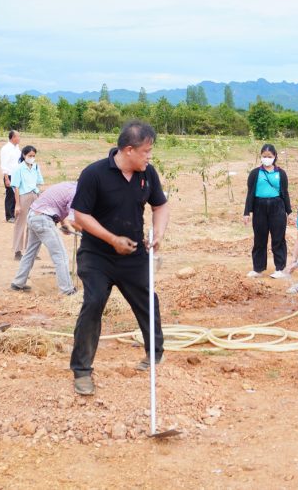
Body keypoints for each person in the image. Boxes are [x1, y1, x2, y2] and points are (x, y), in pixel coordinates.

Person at [69, 121, 169, 396]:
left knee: (148, 300)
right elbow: (80, 216)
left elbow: (160, 205)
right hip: (97, 254)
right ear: (128, 150)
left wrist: (158, 233)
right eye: (146, 151)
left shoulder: (148, 175)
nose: (149, 157)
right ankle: (82, 371)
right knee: (94, 301)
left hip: (133, 253)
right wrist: (112, 239)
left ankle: (155, 355)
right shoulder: (94, 174)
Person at [10, 180, 78, 295]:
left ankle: (18, 283)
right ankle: (67, 290)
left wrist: (63, 224)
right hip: (43, 219)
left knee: (30, 252)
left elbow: (59, 205)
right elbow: (73, 220)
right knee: (60, 256)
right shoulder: (76, 192)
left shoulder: (68, 185)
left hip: (33, 215)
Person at [242, 144, 293, 279]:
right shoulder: (255, 173)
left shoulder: (280, 173)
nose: (267, 159)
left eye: (269, 157)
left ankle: (280, 268)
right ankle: (258, 268)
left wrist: (289, 211)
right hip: (259, 206)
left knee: (278, 238)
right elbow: (250, 194)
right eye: (264, 156)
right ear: (260, 157)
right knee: (259, 238)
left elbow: (285, 193)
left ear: (275, 156)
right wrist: (247, 212)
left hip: (277, 206)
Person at [10, 145, 44, 260]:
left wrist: (38, 195)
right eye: (30, 155)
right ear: (24, 155)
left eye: (33, 156)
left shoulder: (35, 167)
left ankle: (32, 251)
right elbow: (16, 187)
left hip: (35, 195)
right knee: (21, 223)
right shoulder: (18, 168)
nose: (32, 158)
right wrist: (17, 204)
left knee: (34, 223)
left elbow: (39, 182)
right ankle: (17, 251)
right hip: (24, 196)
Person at [0, 130, 21, 222]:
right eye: (18, 137)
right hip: (9, 175)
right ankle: (9, 216)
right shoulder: (6, 149)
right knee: (10, 195)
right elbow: (4, 164)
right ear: (13, 138)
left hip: (17, 174)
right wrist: (6, 178)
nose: (19, 139)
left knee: (17, 195)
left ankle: (15, 215)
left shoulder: (17, 148)